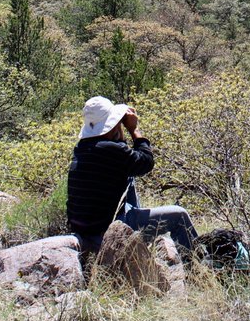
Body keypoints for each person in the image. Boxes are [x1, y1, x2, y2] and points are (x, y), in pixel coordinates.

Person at [66, 96, 198, 257]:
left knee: (128, 176)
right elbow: (146, 162)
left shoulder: (82, 148)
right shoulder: (112, 150)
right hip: (109, 231)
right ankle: (197, 268)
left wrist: (115, 131)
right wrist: (133, 130)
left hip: (84, 228)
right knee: (179, 216)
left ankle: (138, 231)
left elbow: (125, 158)